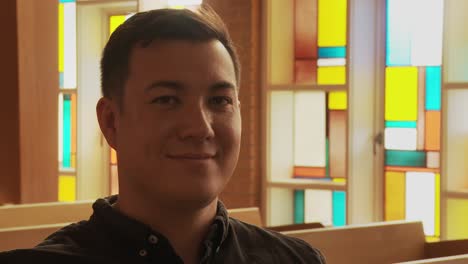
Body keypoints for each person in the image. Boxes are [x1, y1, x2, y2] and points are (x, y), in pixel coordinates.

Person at [0, 5, 325, 264]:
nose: (200, 127)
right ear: (111, 122)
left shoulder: (296, 259)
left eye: (219, 100)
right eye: (166, 100)